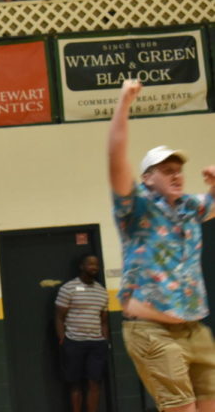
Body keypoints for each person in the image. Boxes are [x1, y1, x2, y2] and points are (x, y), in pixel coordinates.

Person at [109, 79, 215, 412]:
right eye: (166, 170)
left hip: (194, 329)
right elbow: (116, 157)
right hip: (151, 331)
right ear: (147, 178)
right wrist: (124, 103)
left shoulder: (190, 208)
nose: (176, 176)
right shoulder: (135, 209)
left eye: (179, 171)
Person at [55, 254, 110, 412]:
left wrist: (104, 340)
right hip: (74, 342)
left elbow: (104, 320)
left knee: (94, 383)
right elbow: (59, 317)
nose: (94, 267)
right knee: (75, 383)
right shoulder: (68, 288)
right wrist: (62, 340)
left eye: (96, 265)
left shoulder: (101, 291)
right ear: (82, 266)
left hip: (96, 344)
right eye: (90, 264)